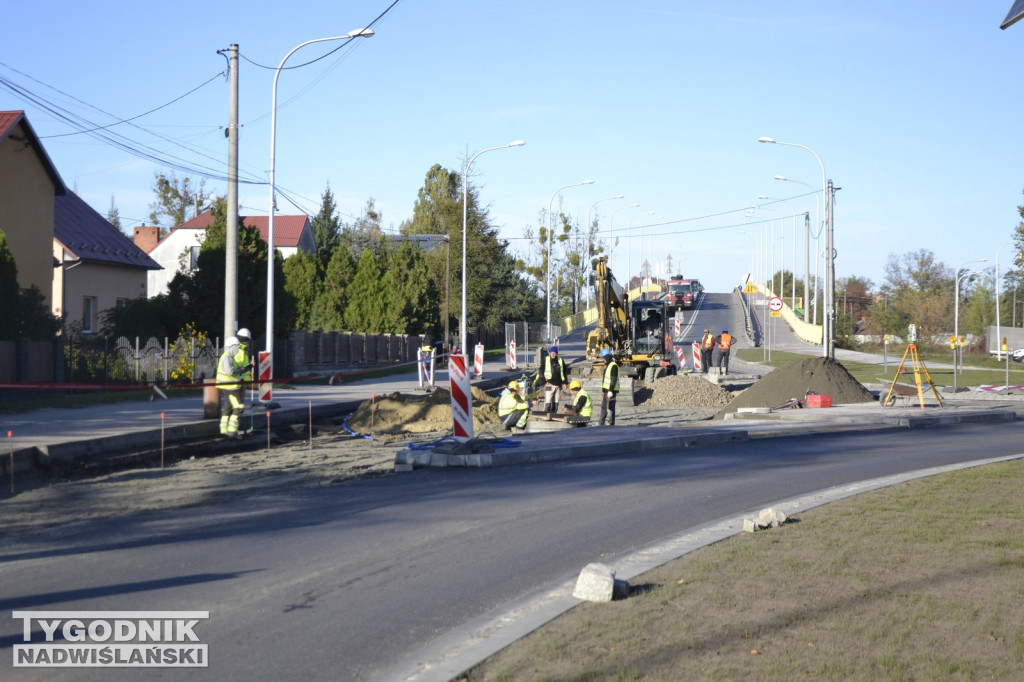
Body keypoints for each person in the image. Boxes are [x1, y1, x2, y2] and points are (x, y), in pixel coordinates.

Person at [216, 328, 254, 438]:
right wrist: (246, 371)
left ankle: (224, 430)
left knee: (228, 407)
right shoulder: (237, 353)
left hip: (232, 383)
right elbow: (234, 370)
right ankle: (232, 430)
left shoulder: (237, 353)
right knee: (238, 407)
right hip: (234, 384)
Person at [534, 345, 568, 413]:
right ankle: (546, 414)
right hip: (549, 384)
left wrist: (565, 383)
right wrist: (544, 381)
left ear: (557, 353)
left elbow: (564, 372)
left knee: (556, 401)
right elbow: (541, 371)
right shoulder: (546, 360)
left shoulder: (560, 360)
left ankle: (553, 414)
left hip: (558, 385)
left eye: (554, 353)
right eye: (551, 353)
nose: (553, 354)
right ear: (549, 353)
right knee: (548, 400)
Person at [598, 348, 620, 426]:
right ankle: (601, 423)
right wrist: (603, 391)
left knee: (611, 407)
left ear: (607, 357)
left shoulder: (613, 366)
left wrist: (610, 390)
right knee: (604, 407)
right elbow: (605, 380)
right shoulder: (608, 366)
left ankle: (611, 422)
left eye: (603, 358)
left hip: (611, 390)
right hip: (606, 390)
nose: (603, 360)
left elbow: (613, 379)